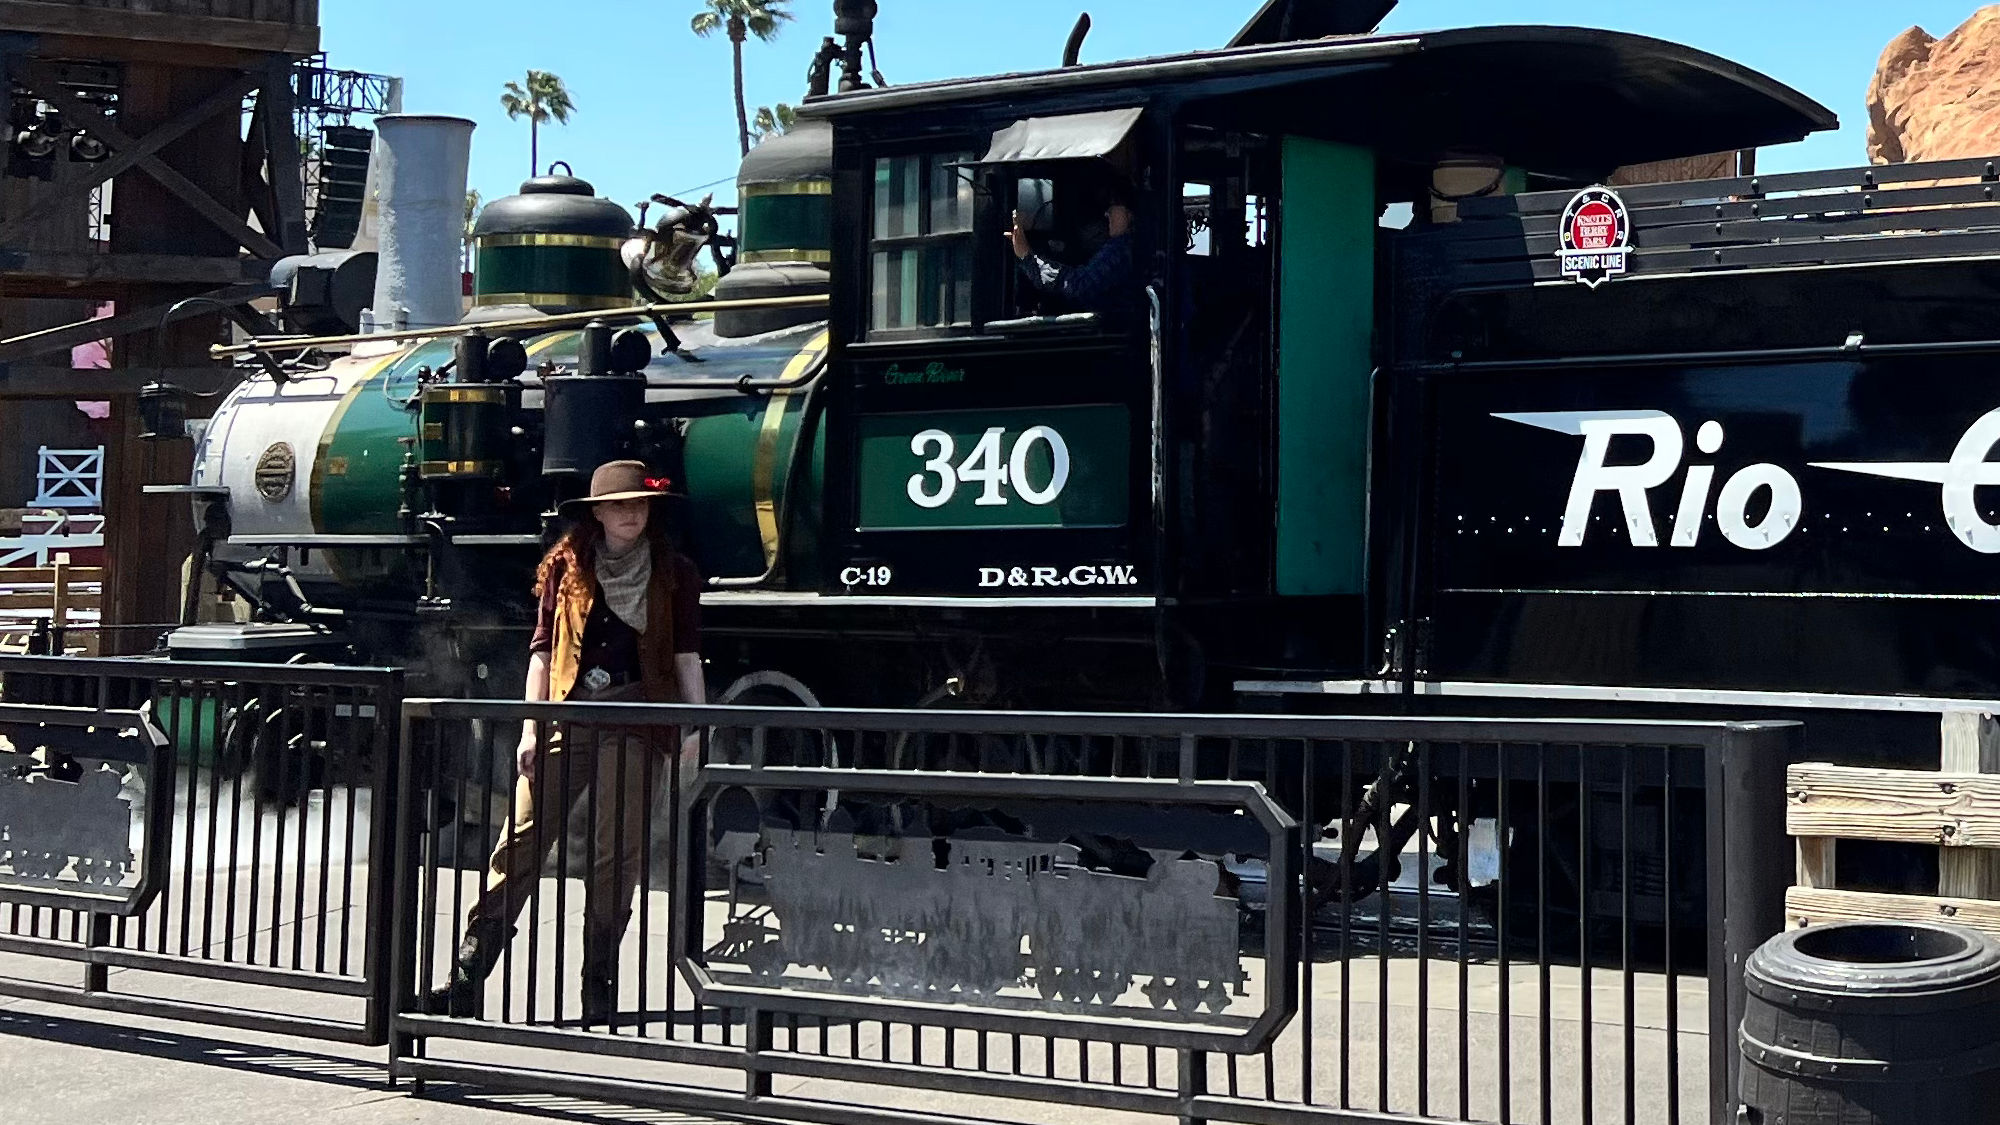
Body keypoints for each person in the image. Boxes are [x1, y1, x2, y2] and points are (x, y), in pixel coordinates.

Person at [424, 459, 704, 1023]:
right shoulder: (567, 568)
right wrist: (531, 726)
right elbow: (543, 654)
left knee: (614, 855)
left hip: (635, 720)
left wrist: (695, 727)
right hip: (565, 718)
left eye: (640, 504)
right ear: (597, 513)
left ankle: (597, 984)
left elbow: (685, 656)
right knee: (521, 840)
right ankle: (466, 976)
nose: (632, 513)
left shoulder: (674, 572)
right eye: (621, 505)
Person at [1006, 192, 1135, 316]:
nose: (1107, 214)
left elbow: (1080, 286)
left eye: (1113, 206)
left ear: (1130, 213)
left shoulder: (1122, 249)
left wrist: (1027, 258)